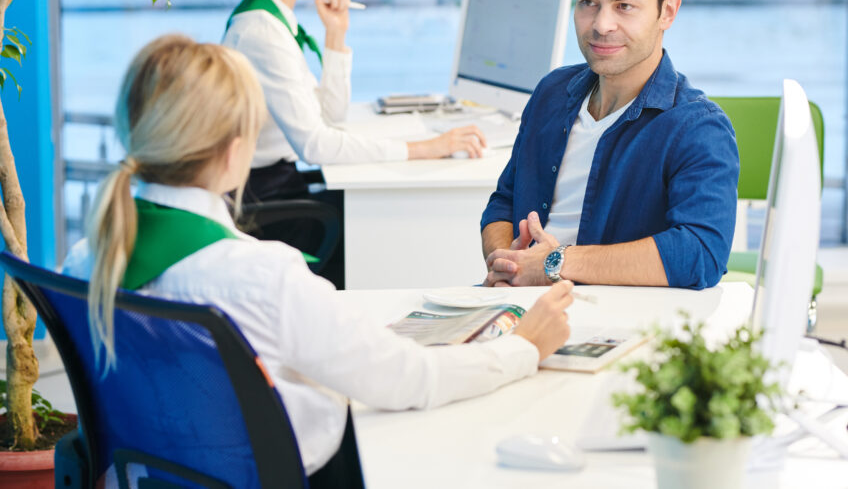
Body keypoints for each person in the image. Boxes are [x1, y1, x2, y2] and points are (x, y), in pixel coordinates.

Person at [64, 35, 574, 487]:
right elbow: (409, 380)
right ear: (231, 154)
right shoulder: (260, 275)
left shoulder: (86, 260)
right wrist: (524, 347)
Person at [481, 0, 739, 290]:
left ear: (667, 11)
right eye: (588, 2)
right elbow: (504, 203)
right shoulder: (552, 92)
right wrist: (509, 263)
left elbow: (701, 253)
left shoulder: (697, 128)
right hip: (514, 301)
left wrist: (556, 264)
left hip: (607, 324)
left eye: (624, 6)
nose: (601, 24)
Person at [217, 0, 485, 206]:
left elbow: (331, 116)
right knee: (388, 212)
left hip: (278, 184)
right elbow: (316, 145)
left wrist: (335, 34)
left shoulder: (269, 23)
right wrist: (424, 148)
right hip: (266, 199)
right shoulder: (262, 34)